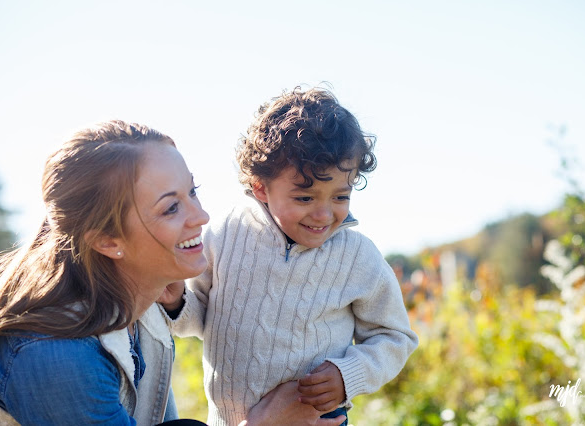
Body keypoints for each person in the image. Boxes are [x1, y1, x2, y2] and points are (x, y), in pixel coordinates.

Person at [0, 120, 344, 426]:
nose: (201, 216)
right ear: (106, 240)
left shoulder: (146, 307)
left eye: (192, 192)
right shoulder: (56, 356)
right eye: (171, 208)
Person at [161, 88, 419, 426]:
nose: (324, 214)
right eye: (305, 198)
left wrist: (346, 375)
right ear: (260, 188)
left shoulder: (358, 257)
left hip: (318, 420)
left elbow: (395, 337)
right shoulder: (224, 234)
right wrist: (176, 302)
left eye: (340, 196)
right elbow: (200, 317)